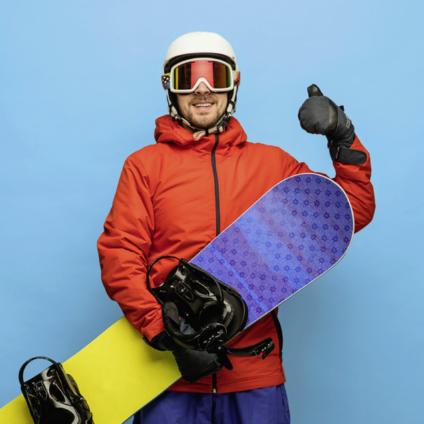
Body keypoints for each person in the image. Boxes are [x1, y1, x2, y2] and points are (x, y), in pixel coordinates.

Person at [97, 32, 375, 424]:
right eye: (187, 78)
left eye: (215, 75)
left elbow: (350, 211)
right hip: (169, 377)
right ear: (170, 88)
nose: (202, 89)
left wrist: (343, 136)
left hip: (254, 376)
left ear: (234, 84)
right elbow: (120, 256)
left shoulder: (271, 165)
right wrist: (164, 332)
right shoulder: (145, 167)